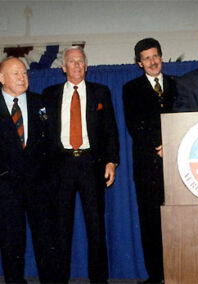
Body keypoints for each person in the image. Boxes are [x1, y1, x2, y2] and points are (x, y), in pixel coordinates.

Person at [43, 46, 119, 283]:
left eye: (80, 61)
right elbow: (43, 135)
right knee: (60, 230)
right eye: (71, 61)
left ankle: (99, 280)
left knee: (96, 229)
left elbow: (111, 132)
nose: (76, 65)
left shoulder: (101, 92)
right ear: (63, 67)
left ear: (86, 66)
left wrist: (111, 162)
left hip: (91, 165)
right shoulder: (49, 94)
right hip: (61, 166)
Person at [123, 38, 176, 283]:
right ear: (139, 63)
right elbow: (135, 126)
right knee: (150, 224)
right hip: (147, 167)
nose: (152, 62)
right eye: (146, 58)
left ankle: (178, 273)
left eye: (155, 56)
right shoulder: (130, 88)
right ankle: (156, 277)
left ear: (161, 57)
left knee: (177, 223)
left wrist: (172, 146)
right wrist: (159, 147)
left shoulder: (178, 85)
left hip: (176, 165)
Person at [0, 57, 57, 283]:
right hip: (6, 189)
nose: (22, 77)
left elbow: (51, 143)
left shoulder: (40, 103)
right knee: (12, 243)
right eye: (16, 73)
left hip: (39, 187)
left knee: (46, 241)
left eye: (24, 73)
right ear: (2, 78)